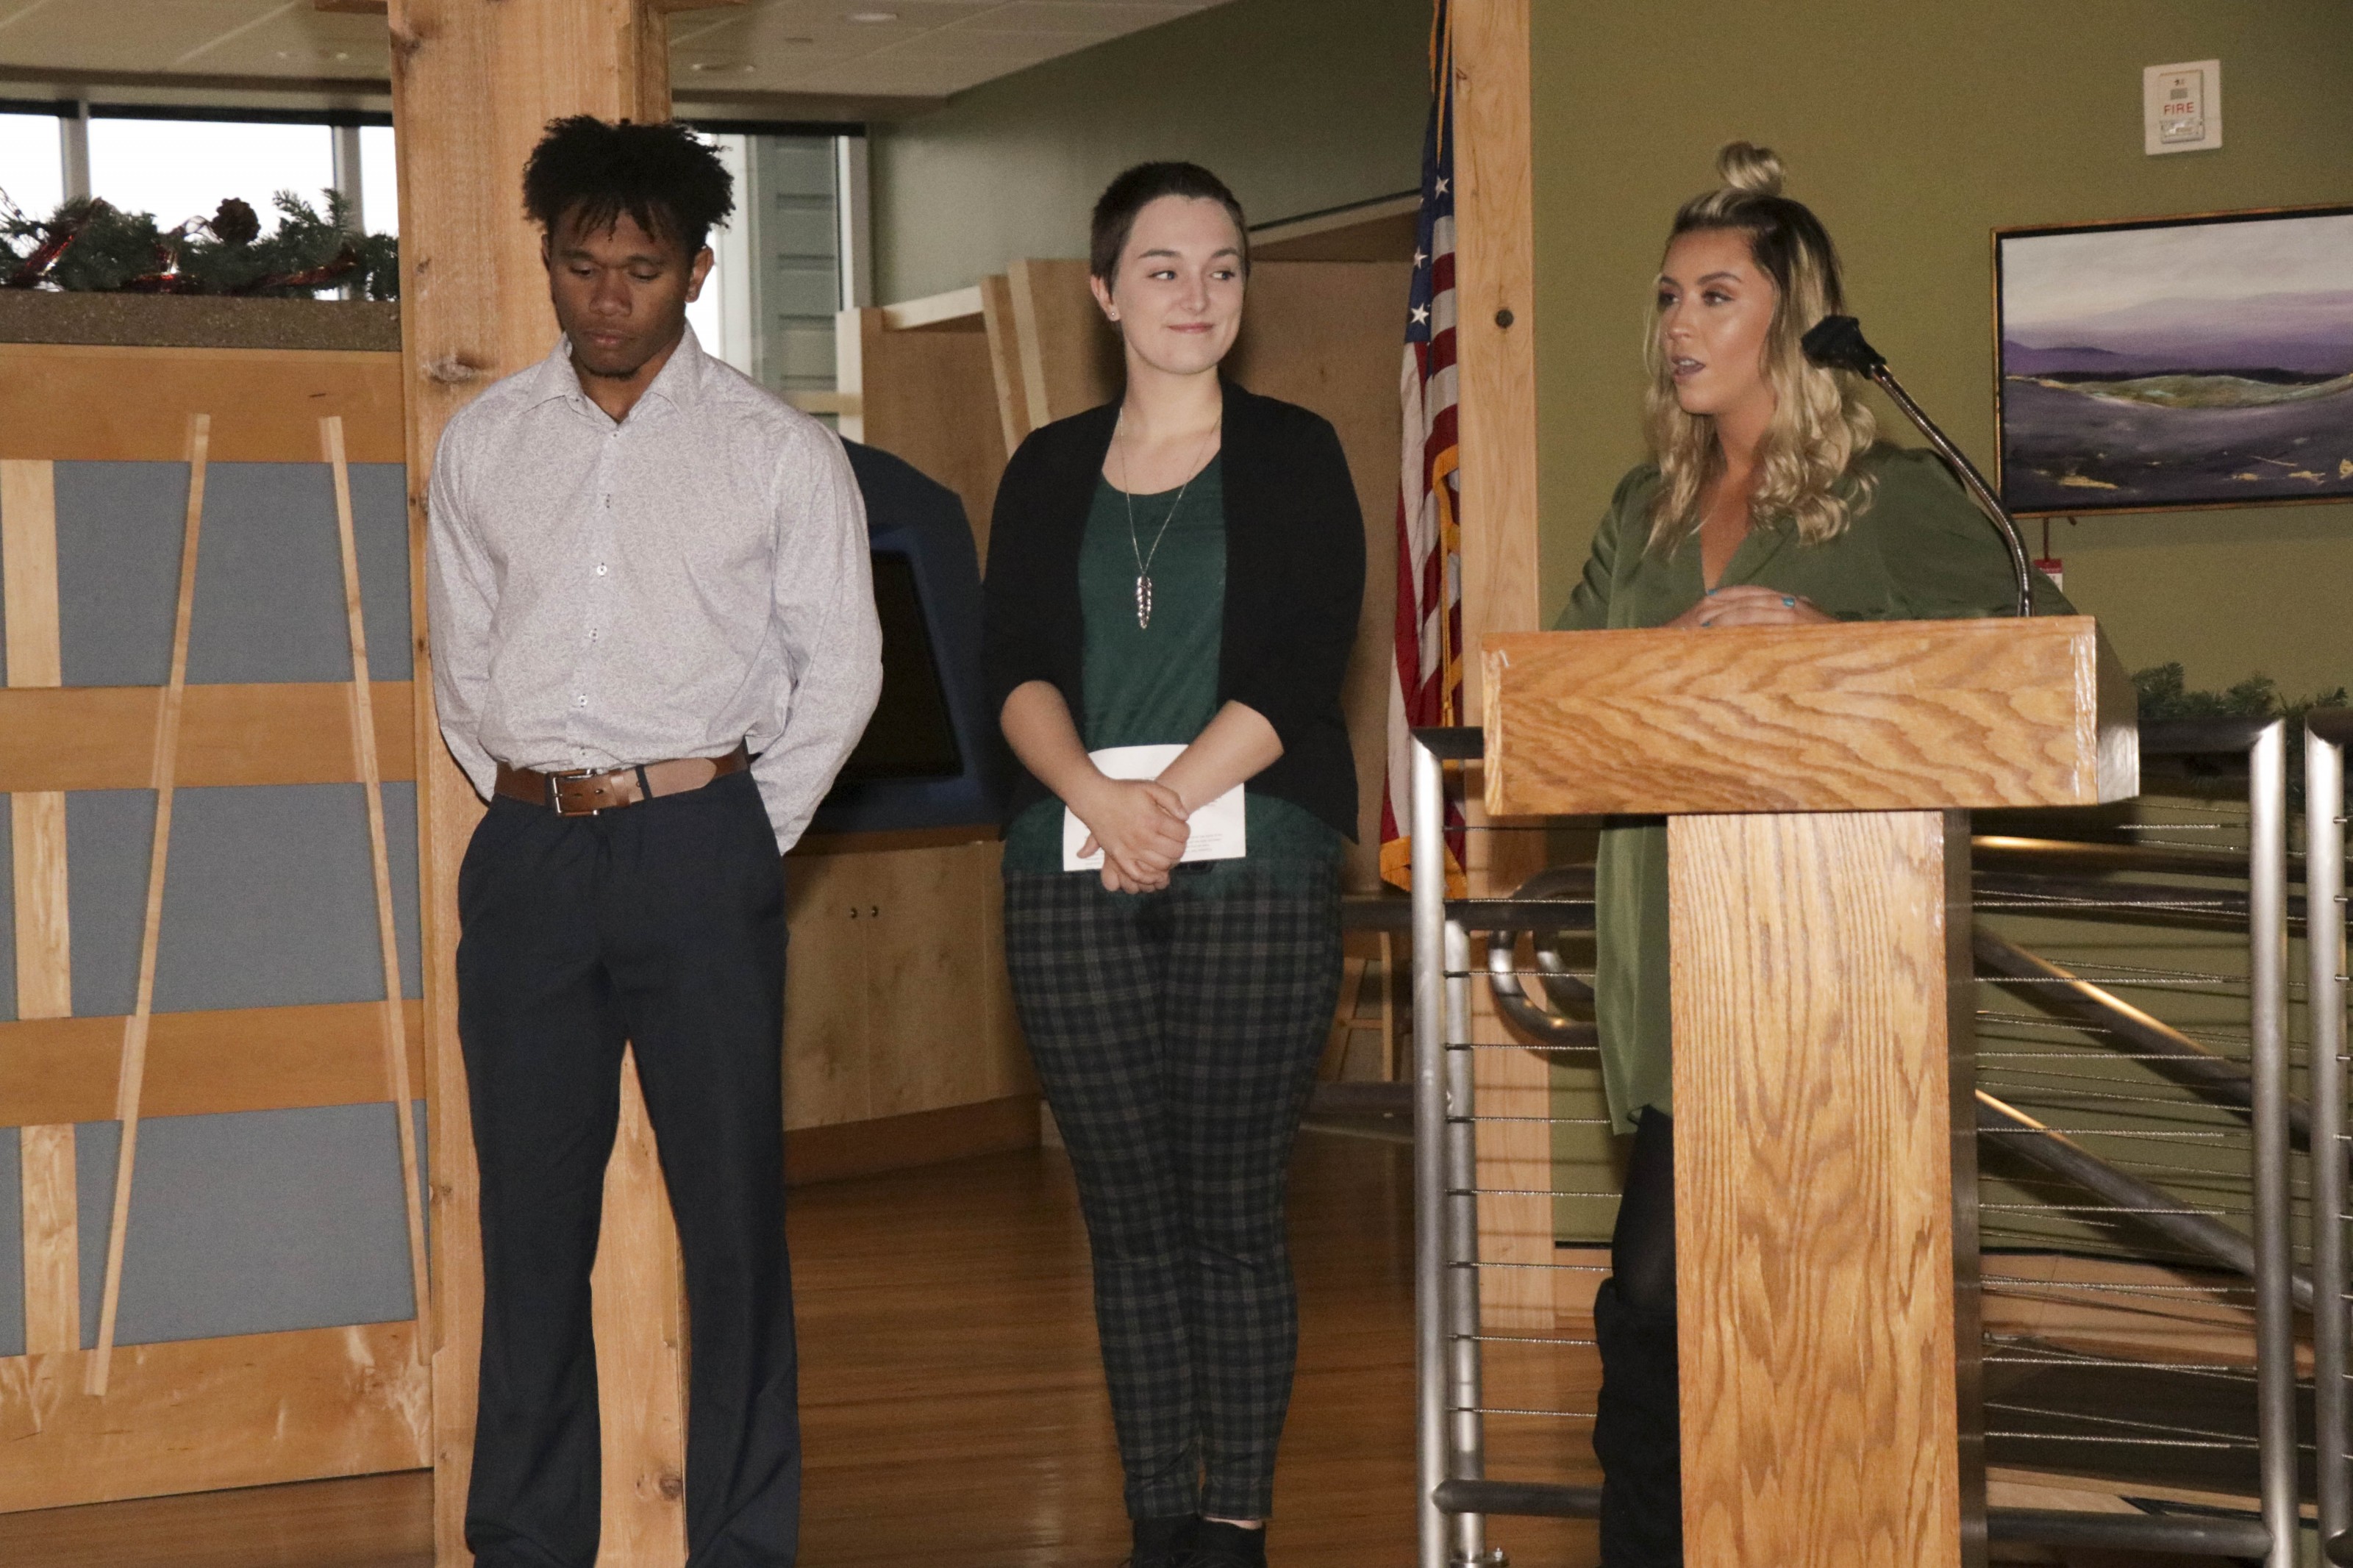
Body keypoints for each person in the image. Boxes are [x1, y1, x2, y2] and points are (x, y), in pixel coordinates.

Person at [1557, 141, 2068, 1567]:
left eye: (1714, 295)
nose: (1676, 328)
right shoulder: (1635, 513)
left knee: (1677, 1299)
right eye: (1666, 298)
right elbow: (1563, 694)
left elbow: (2028, 644)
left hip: (1833, 978)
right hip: (1674, 957)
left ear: (1792, 319)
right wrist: (1676, 661)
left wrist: (1820, 644)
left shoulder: (1887, 499)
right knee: (1668, 1303)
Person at [426, 116, 882, 1568]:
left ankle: (746, 1541)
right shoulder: (484, 440)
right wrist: (532, 795)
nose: (606, 295)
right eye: (580, 264)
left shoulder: (776, 450)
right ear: (548, 261)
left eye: (638, 268)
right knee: (530, 1221)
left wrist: (741, 827)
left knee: (735, 1218)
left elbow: (845, 667)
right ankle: (524, 1537)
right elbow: (463, 664)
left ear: (693, 270)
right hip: (529, 861)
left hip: (701, 848)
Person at [980, 162, 1365, 1568]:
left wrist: (1170, 802)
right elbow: (1011, 665)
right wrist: (1096, 795)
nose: (1195, 294)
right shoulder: (1044, 468)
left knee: (1233, 1211)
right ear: (1104, 291)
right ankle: (1158, 1524)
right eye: (1162, 268)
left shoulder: (1298, 452)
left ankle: (1236, 1526)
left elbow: (1300, 662)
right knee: (1127, 1217)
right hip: (1064, 861)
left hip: (1255, 859)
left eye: (1221, 268)